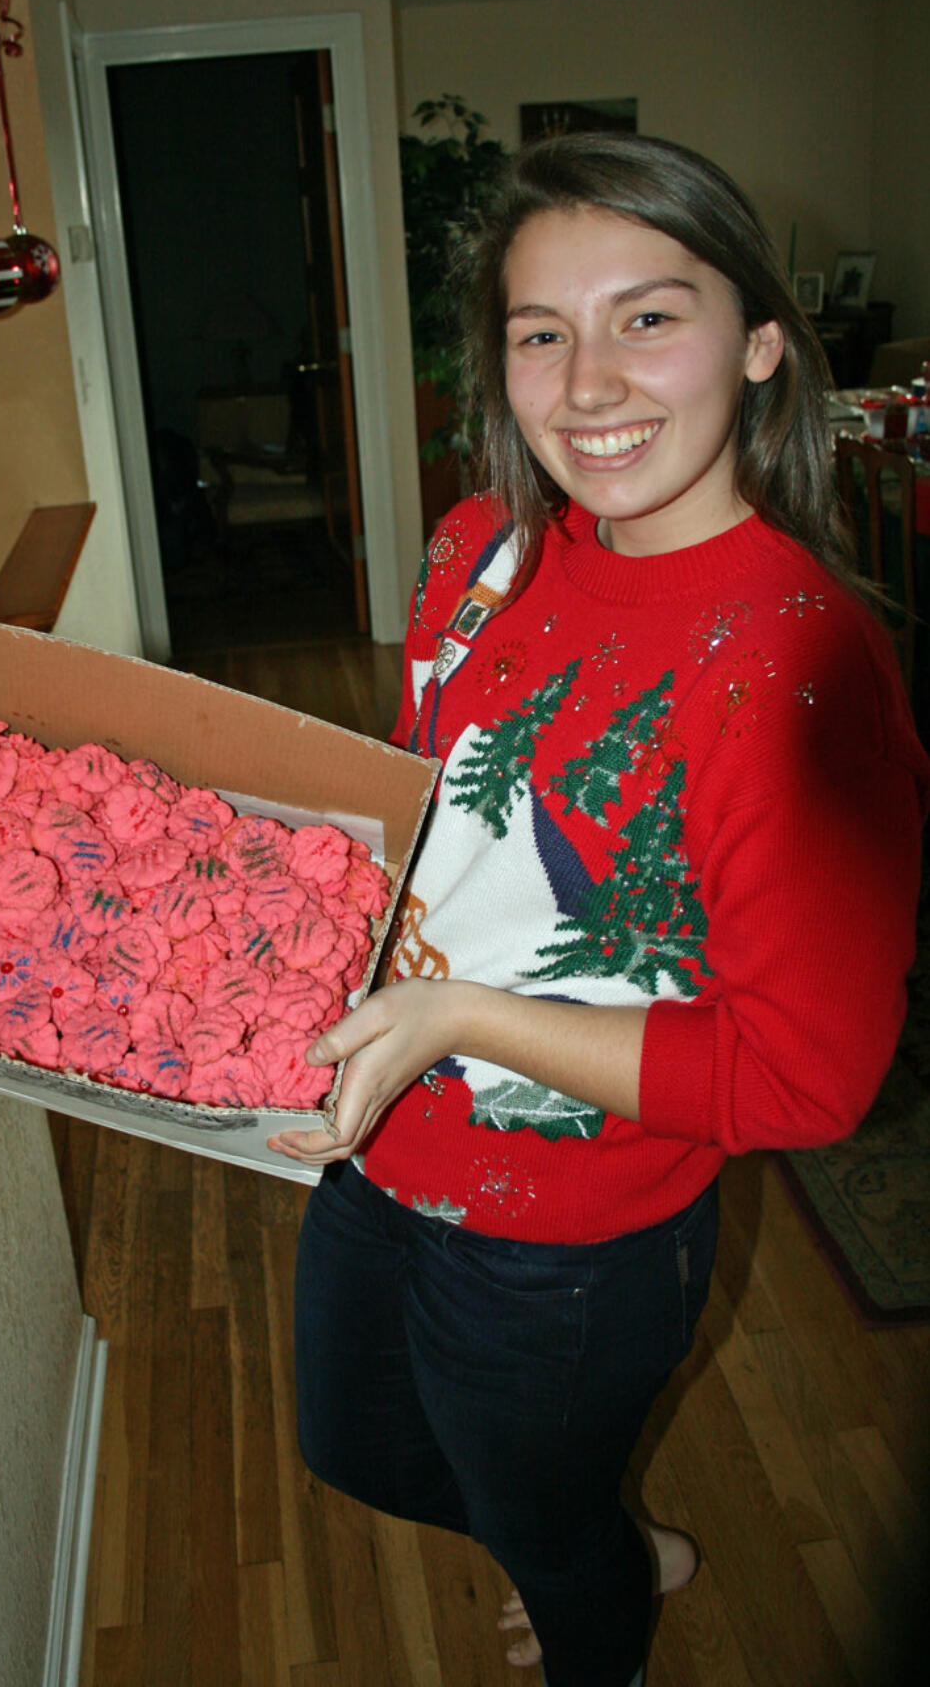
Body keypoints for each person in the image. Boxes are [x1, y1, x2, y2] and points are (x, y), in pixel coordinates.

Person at [267, 131, 930, 1686]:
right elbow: (431, 806)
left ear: (760, 344)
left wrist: (462, 1017)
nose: (586, 387)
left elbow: (802, 1078)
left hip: (572, 1238)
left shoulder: (794, 674)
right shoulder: (472, 550)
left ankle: (601, 1605)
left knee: (552, 1545)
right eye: (539, 334)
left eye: (649, 316)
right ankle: (602, 1542)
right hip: (375, 1132)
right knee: (355, 1448)